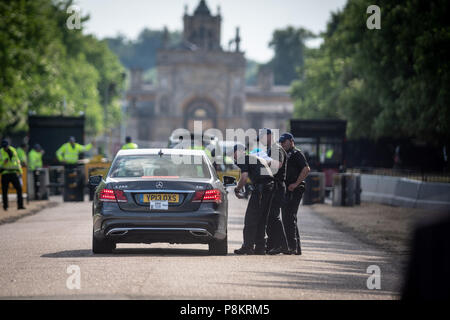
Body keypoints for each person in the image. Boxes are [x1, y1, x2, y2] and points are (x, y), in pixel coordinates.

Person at [232, 144, 275, 255]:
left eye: (234, 152)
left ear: (239, 152)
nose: (234, 155)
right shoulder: (254, 158)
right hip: (269, 188)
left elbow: (244, 177)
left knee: (250, 219)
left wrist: (237, 189)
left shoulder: (244, 159)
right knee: (261, 219)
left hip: (261, 189)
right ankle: (260, 248)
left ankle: (248, 247)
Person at [279, 133, 310, 255]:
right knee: (287, 217)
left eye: (284, 141)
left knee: (289, 217)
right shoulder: (285, 154)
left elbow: (306, 169)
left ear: (291, 141)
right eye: (281, 142)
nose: (282, 144)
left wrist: (296, 183)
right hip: (288, 189)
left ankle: (293, 247)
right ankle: (294, 247)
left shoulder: (297, 153)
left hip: (294, 189)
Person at [259, 128, 289, 255]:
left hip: (277, 186)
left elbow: (278, 165)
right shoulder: (271, 149)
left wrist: (262, 164)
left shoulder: (276, 148)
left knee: (274, 216)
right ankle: (273, 244)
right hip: (273, 185)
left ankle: (282, 245)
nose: (261, 139)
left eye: (263, 136)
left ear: (270, 135)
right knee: (270, 216)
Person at [0, 139, 25, 211]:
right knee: (4, 191)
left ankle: (20, 205)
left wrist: (20, 171)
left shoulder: (13, 150)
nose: (5, 148)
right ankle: (5, 206)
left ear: (8, 145)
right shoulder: (0, 152)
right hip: (5, 173)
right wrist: (4, 163)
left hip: (13, 173)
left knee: (19, 189)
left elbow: (17, 161)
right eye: (4, 147)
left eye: (6, 146)